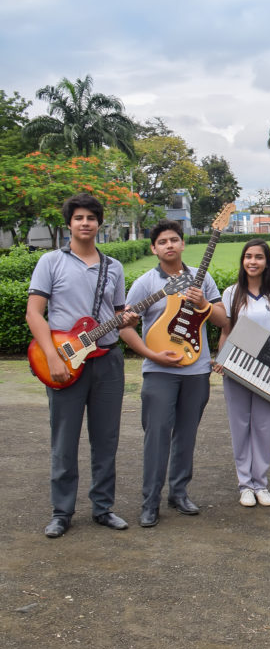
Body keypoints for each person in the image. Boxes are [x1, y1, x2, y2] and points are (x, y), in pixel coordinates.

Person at [27, 193, 136, 538]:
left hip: (107, 361)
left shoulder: (113, 267)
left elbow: (119, 313)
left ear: (99, 223)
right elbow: (34, 313)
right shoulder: (50, 262)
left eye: (91, 217)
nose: (85, 223)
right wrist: (54, 356)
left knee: (106, 438)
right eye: (79, 218)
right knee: (64, 439)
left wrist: (127, 318)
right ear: (69, 223)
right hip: (64, 361)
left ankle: (103, 507)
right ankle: (62, 511)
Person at [123, 219, 227, 528]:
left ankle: (178, 493)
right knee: (157, 436)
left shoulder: (202, 279)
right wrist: (152, 355)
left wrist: (204, 303)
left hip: (196, 371)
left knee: (187, 435)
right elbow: (125, 328)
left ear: (183, 244)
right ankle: (150, 501)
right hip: (158, 371)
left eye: (174, 240)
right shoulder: (144, 283)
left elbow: (223, 320)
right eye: (163, 241)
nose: (169, 245)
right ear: (154, 248)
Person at [217, 239, 270, 507]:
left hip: (267, 370)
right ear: (242, 261)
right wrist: (221, 358)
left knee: (263, 425)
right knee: (240, 425)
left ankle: (261, 483)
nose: (253, 261)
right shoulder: (231, 293)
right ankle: (245, 484)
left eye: (258, 257)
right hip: (237, 368)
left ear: (267, 261)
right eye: (248, 256)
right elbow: (226, 330)